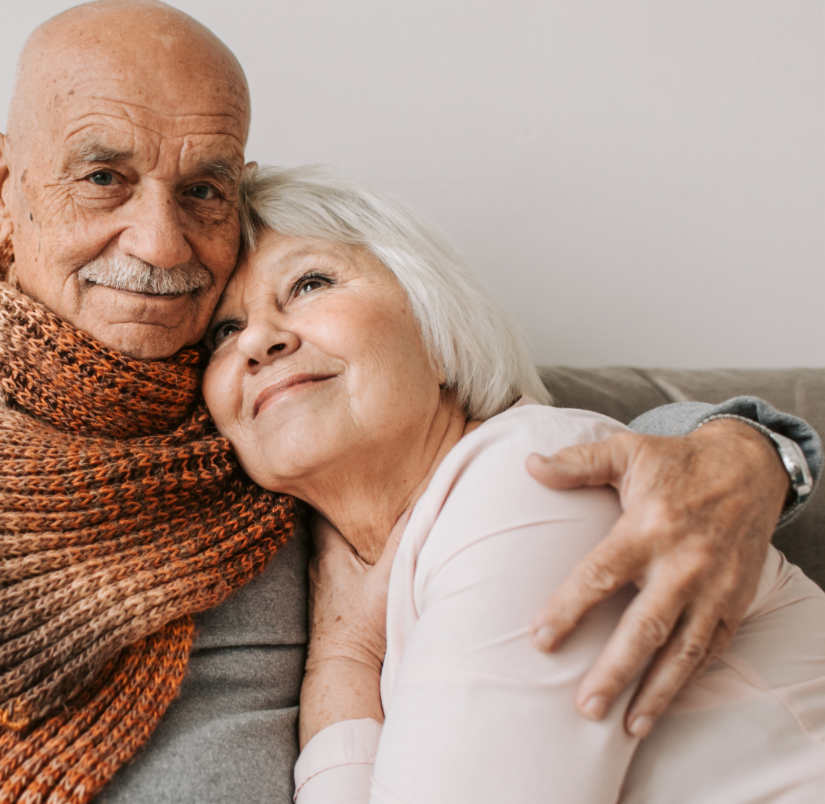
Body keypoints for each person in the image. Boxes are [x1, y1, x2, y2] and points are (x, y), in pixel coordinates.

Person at [0, 2, 820, 802]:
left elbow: (537, 460)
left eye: (204, 191)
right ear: (2, 186)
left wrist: (742, 450)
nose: (160, 243)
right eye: (104, 177)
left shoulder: (276, 437)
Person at [201, 164, 825, 803]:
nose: (259, 340)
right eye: (224, 331)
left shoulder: (533, 473)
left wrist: (345, 657)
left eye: (310, 283)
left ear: (438, 332)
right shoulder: (385, 575)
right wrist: (345, 654)